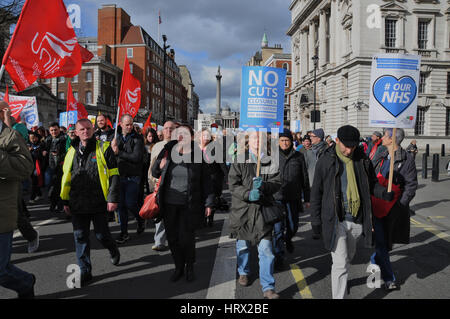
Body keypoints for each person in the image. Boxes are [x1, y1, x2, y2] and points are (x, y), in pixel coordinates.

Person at [309, 125, 395, 299]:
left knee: (348, 257)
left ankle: (342, 279)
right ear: (337, 141)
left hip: (357, 220)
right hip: (335, 219)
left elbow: (372, 185)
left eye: (353, 147)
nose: (348, 150)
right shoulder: (326, 161)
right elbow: (316, 193)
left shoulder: (362, 160)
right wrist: (315, 220)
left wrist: (383, 193)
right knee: (340, 263)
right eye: (345, 146)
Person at [61, 119, 121, 286]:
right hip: (77, 202)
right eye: (82, 129)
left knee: (102, 235)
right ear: (77, 132)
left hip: (98, 201)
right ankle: (85, 270)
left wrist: (113, 198)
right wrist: (64, 200)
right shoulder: (71, 151)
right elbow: (66, 176)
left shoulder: (104, 148)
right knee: (80, 237)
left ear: (93, 129)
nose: (85, 131)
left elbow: (114, 174)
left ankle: (113, 248)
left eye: (88, 128)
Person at [152, 125, 215, 282]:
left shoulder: (197, 155)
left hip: (189, 203)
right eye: (179, 134)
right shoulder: (167, 150)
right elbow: (155, 172)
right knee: (172, 238)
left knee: (186, 238)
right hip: (169, 203)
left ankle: (190, 266)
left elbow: (207, 181)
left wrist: (209, 203)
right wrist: (159, 166)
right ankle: (178, 266)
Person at [228, 130, 282, 299]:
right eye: (254, 138)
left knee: (266, 250)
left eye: (260, 138)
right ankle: (243, 271)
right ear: (247, 141)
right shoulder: (240, 159)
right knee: (243, 246)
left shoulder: (270, 160)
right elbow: (232, 184)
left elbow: (277, 182)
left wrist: (264, 186)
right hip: (243, 212)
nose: (257, 141)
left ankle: (268, 287)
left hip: (262, 213)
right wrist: (247, 193)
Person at [370, 128, 418, 291]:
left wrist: (400, 205)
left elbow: (411, 186)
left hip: (393, 208)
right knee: (381, 243)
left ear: (392, 139)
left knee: (384, 245)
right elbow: (371, 176)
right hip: (375, 205)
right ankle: (389, 279)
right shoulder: (381, 154)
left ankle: (373, 272)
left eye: (385, 135)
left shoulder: (407, 159)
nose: (382, 137)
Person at [0, 101, 36, 298]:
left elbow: (25, 168)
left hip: (2, 214)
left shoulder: (10, 136)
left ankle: (25, 282)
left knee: (1, 271)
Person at [273, 129, 310, 270]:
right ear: (278, 141)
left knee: (293, 226)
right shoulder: (272, 156)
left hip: (293, 197)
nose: (284, 143)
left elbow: (304, 178)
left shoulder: (298, 156)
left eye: (287, 140)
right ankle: (279, 256)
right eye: (282, 140)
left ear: (291, 141)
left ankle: (288, 238)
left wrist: (307, 198)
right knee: (277, 229)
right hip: (276, 198)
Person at [111, 114, 145, 243]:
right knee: (121, 206)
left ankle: (140, 218)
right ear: (121, 124)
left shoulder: (138, 139)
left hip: (133, 177)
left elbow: (136, 157)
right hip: (119, 176)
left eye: (131, 124)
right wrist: (111, 148)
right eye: (127, 124)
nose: (130, 127)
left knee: (130, 203)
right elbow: (111, 156)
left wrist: (118, 152)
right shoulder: (116, 137)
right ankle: (124, 232)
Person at [148, 121, 176, 251]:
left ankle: (174, 238)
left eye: (172, 128)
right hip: (159, 185)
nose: (169, 131)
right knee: (159, 214)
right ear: (162, 131)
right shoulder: (157, 146)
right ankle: (159, 241)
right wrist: (150, 183)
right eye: (166, 128)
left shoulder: (181, 145)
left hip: (175, 187)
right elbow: (151, 166)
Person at [198, 128, 225, 227]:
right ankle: (201, 216)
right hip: (198, 178)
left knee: (211, 197)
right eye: (203, 135)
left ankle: (210, 216)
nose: (205, 138)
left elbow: (221, 163)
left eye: (207, 136)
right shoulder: (195, 148)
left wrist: (227, 176)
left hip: (212, 177)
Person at [43, 122, 67, 213]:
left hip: (61, 165)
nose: (54, 132)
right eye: (52, 130)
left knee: (59, 186)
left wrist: (59, 154)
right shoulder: (47, 139)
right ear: (49, 131)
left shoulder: (64, 138)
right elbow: (42, 148)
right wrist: (43, 151)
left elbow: (68, 150)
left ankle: (58, 205)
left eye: (55, 130)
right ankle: (53, 202)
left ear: (59, 129)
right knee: (49, 184)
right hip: (50, 165)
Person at [28, 132, 45, 203]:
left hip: (38, 166)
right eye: (31, 138)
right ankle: (39, 194)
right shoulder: (29, 145)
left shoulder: (41, 145)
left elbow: (39, 156)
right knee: (34, 182)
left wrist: (32, 151)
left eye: (34, 138)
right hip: (31, 166)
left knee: (34, 183)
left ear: (37, 138)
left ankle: (32, 198)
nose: (32, 140)